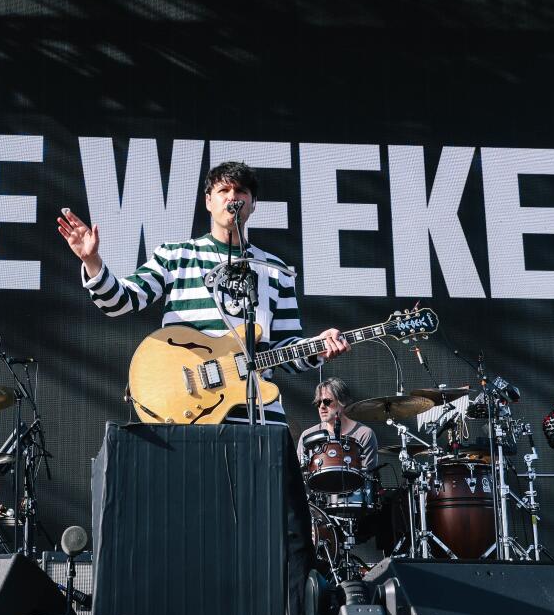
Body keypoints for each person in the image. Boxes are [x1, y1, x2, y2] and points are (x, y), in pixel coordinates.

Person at [56, 160, 349, 421]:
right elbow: (119, 302)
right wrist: (91, 260)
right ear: (208, 201)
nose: (233, 197)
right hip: (188, 408)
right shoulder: (177, 255)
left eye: (241, 192)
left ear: (253, 203)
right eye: (224, 191)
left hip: (259, 411)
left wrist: (318, 347)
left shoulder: (276, 269)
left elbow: (284, 350)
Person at [296, 377, 381, 479]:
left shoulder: (364, 434)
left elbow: (368, 478)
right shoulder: (308, 435)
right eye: (318, 402)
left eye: (327, 401)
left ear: (342, 402)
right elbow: (298, 474)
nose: (322, 407)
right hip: (319, 492)